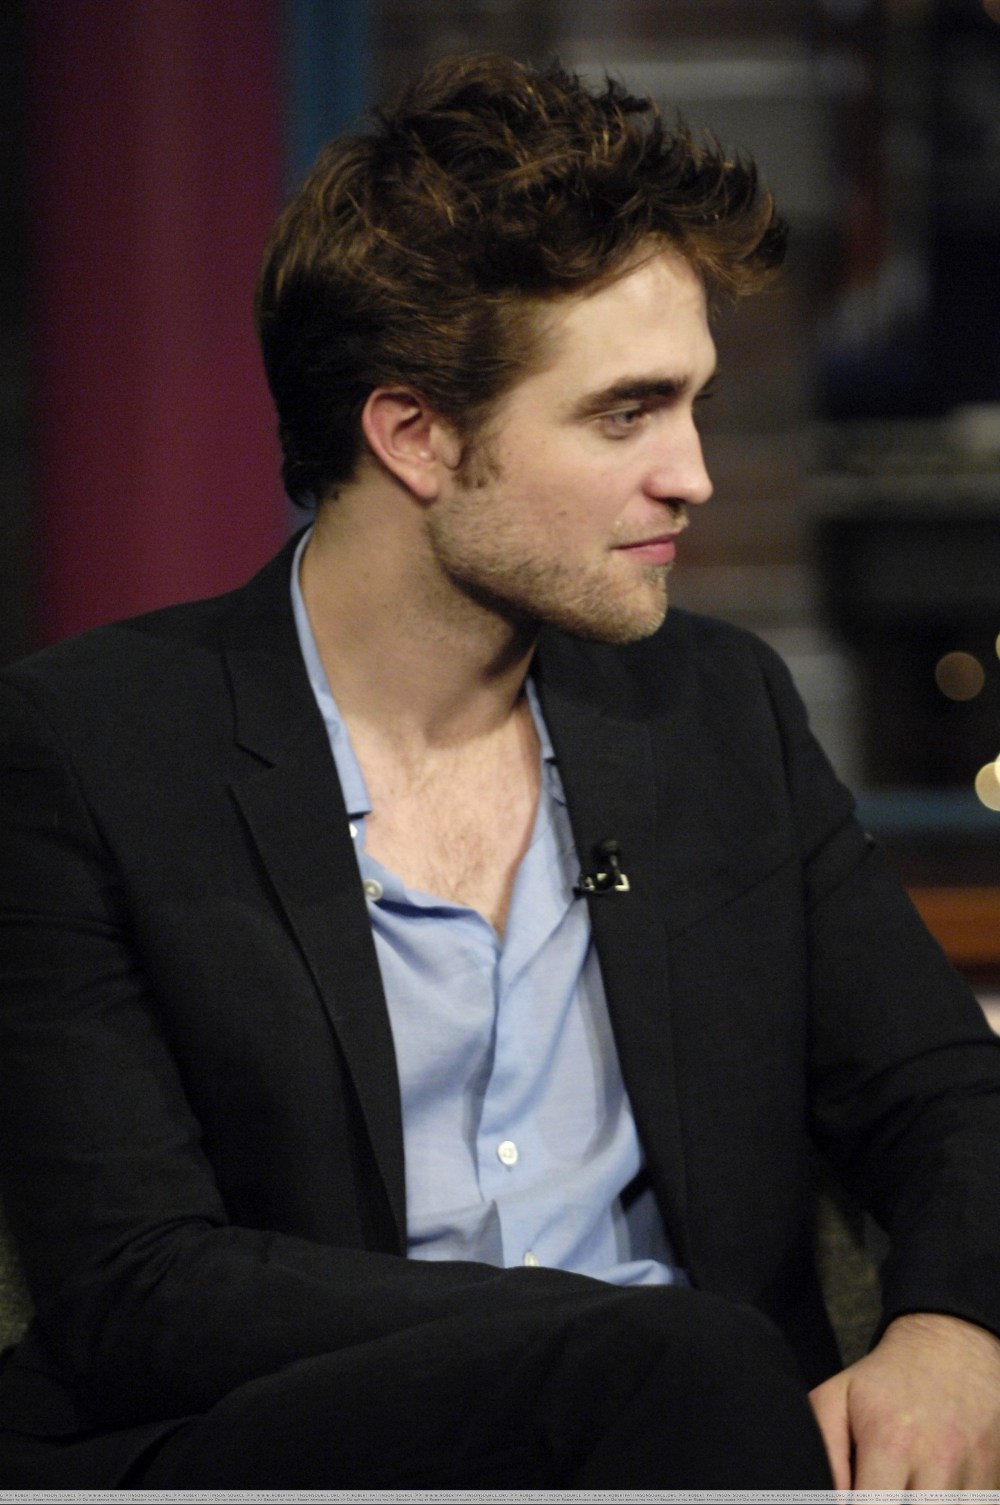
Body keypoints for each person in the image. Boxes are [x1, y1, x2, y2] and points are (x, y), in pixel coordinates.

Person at [1, 51, 999, 1491]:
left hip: (710, 1449)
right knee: (686, 1362)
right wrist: (609, 1346)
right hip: (323, 1450)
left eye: (696, 405)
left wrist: (955, 1329)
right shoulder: (89, 745)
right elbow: (139, 1288)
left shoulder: (717, 710)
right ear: (416, 434)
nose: (693, 473)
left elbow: (948, 1095)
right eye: (625, 413)